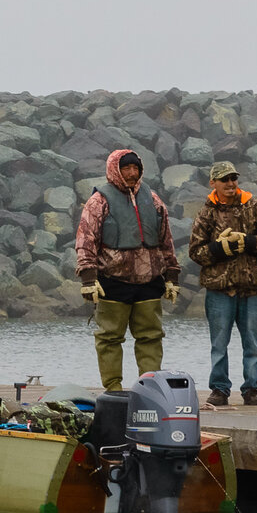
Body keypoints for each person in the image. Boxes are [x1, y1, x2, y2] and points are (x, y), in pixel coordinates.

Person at [75, 148, 180, 392]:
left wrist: (172, 275)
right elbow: (85, 239)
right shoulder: (99, 201)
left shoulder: (152, 199)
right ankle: (113, 388)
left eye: (136, 168)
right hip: (112, 282)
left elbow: (166, 239)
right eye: (126, 168)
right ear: (115, 169)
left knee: (151, 337)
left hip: (150, 282)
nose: (132, 173)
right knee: (109, 338)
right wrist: (88, 278)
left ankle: (150, 387)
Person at [186, 160, 257, 407]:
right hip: (219, 290)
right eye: (224, 179)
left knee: (252, 344)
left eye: (233, 179)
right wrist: (219, 248)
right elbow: (195, 252)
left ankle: (251, 389)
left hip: (251, 288)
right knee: (219, 344)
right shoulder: (206, 213)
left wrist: (248, 242)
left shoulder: (255, 206)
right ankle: (219, 390)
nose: (230, 184)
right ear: (213, 183)